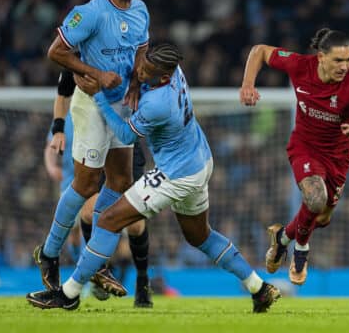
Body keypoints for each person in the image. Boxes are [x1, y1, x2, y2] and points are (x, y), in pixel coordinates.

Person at [26, 43, 281, 313]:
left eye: (147, 71)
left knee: (109, 219)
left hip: (177, 173)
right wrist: (137, 82)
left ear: (162, 78)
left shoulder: (157, 104)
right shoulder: (173, 70)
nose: (140, 71)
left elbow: (125, 136)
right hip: (199, 160)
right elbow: (144, 68)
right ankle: (259, 288)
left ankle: (68, 294)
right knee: (200, 237)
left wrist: (99, 97)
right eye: (143, 65)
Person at [33, 0, 150, 300]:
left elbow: (142, 48)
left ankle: (94, 257)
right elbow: (56, 51)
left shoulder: (142, 10)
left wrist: (134, 83)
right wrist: (94, 73)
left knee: (121, 181)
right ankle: (50, 252)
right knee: (85, 185)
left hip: (122, 106)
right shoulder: (89, 14)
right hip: (91, 106)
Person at [239, 28, 349, 285]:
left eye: (348, 59)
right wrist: (248, 85)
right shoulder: (300, 66)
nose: (344, 66)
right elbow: (259, 51)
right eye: (338, 60)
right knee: (316, 200)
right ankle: (301, 252)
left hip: (338, 158)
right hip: (304, 147)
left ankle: (282, 238)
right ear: (320, 57)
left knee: (322, 217)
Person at [44, 70, 153, 307]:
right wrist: (58, 130)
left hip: (124, 144)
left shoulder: (127, 52)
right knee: (87, 212)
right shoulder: (78, 59)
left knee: (134, 224)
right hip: (95, 149)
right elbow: (63, 93)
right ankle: (99, 269)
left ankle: (143, 281)